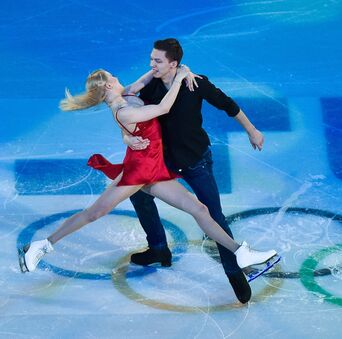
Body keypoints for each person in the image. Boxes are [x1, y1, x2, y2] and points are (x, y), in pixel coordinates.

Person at [18, 66, 279, 280]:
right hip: (140, 171)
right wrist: (179, 78)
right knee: (95, 212)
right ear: (109, 86)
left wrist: (162, 72)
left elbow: (141, 82)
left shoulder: (124, 99)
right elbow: (163, 108)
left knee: (199, 210)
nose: (119, 78)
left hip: (154, 167)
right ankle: (43, 245)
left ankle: (239, 252)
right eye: (113, 77)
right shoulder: (125, 109)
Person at [124, 38, 265, 304]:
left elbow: (228, 105)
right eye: (151, 59)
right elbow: (127, 98)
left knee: (214, 215)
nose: (151, 64)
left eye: (157, 61)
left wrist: (252, 130)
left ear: (173, 63)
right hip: (162, 161)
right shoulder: (151, 87)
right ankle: (158, 249)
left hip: (195, 159)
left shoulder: (195, 83)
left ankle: (234, 271)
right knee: (139, 195)